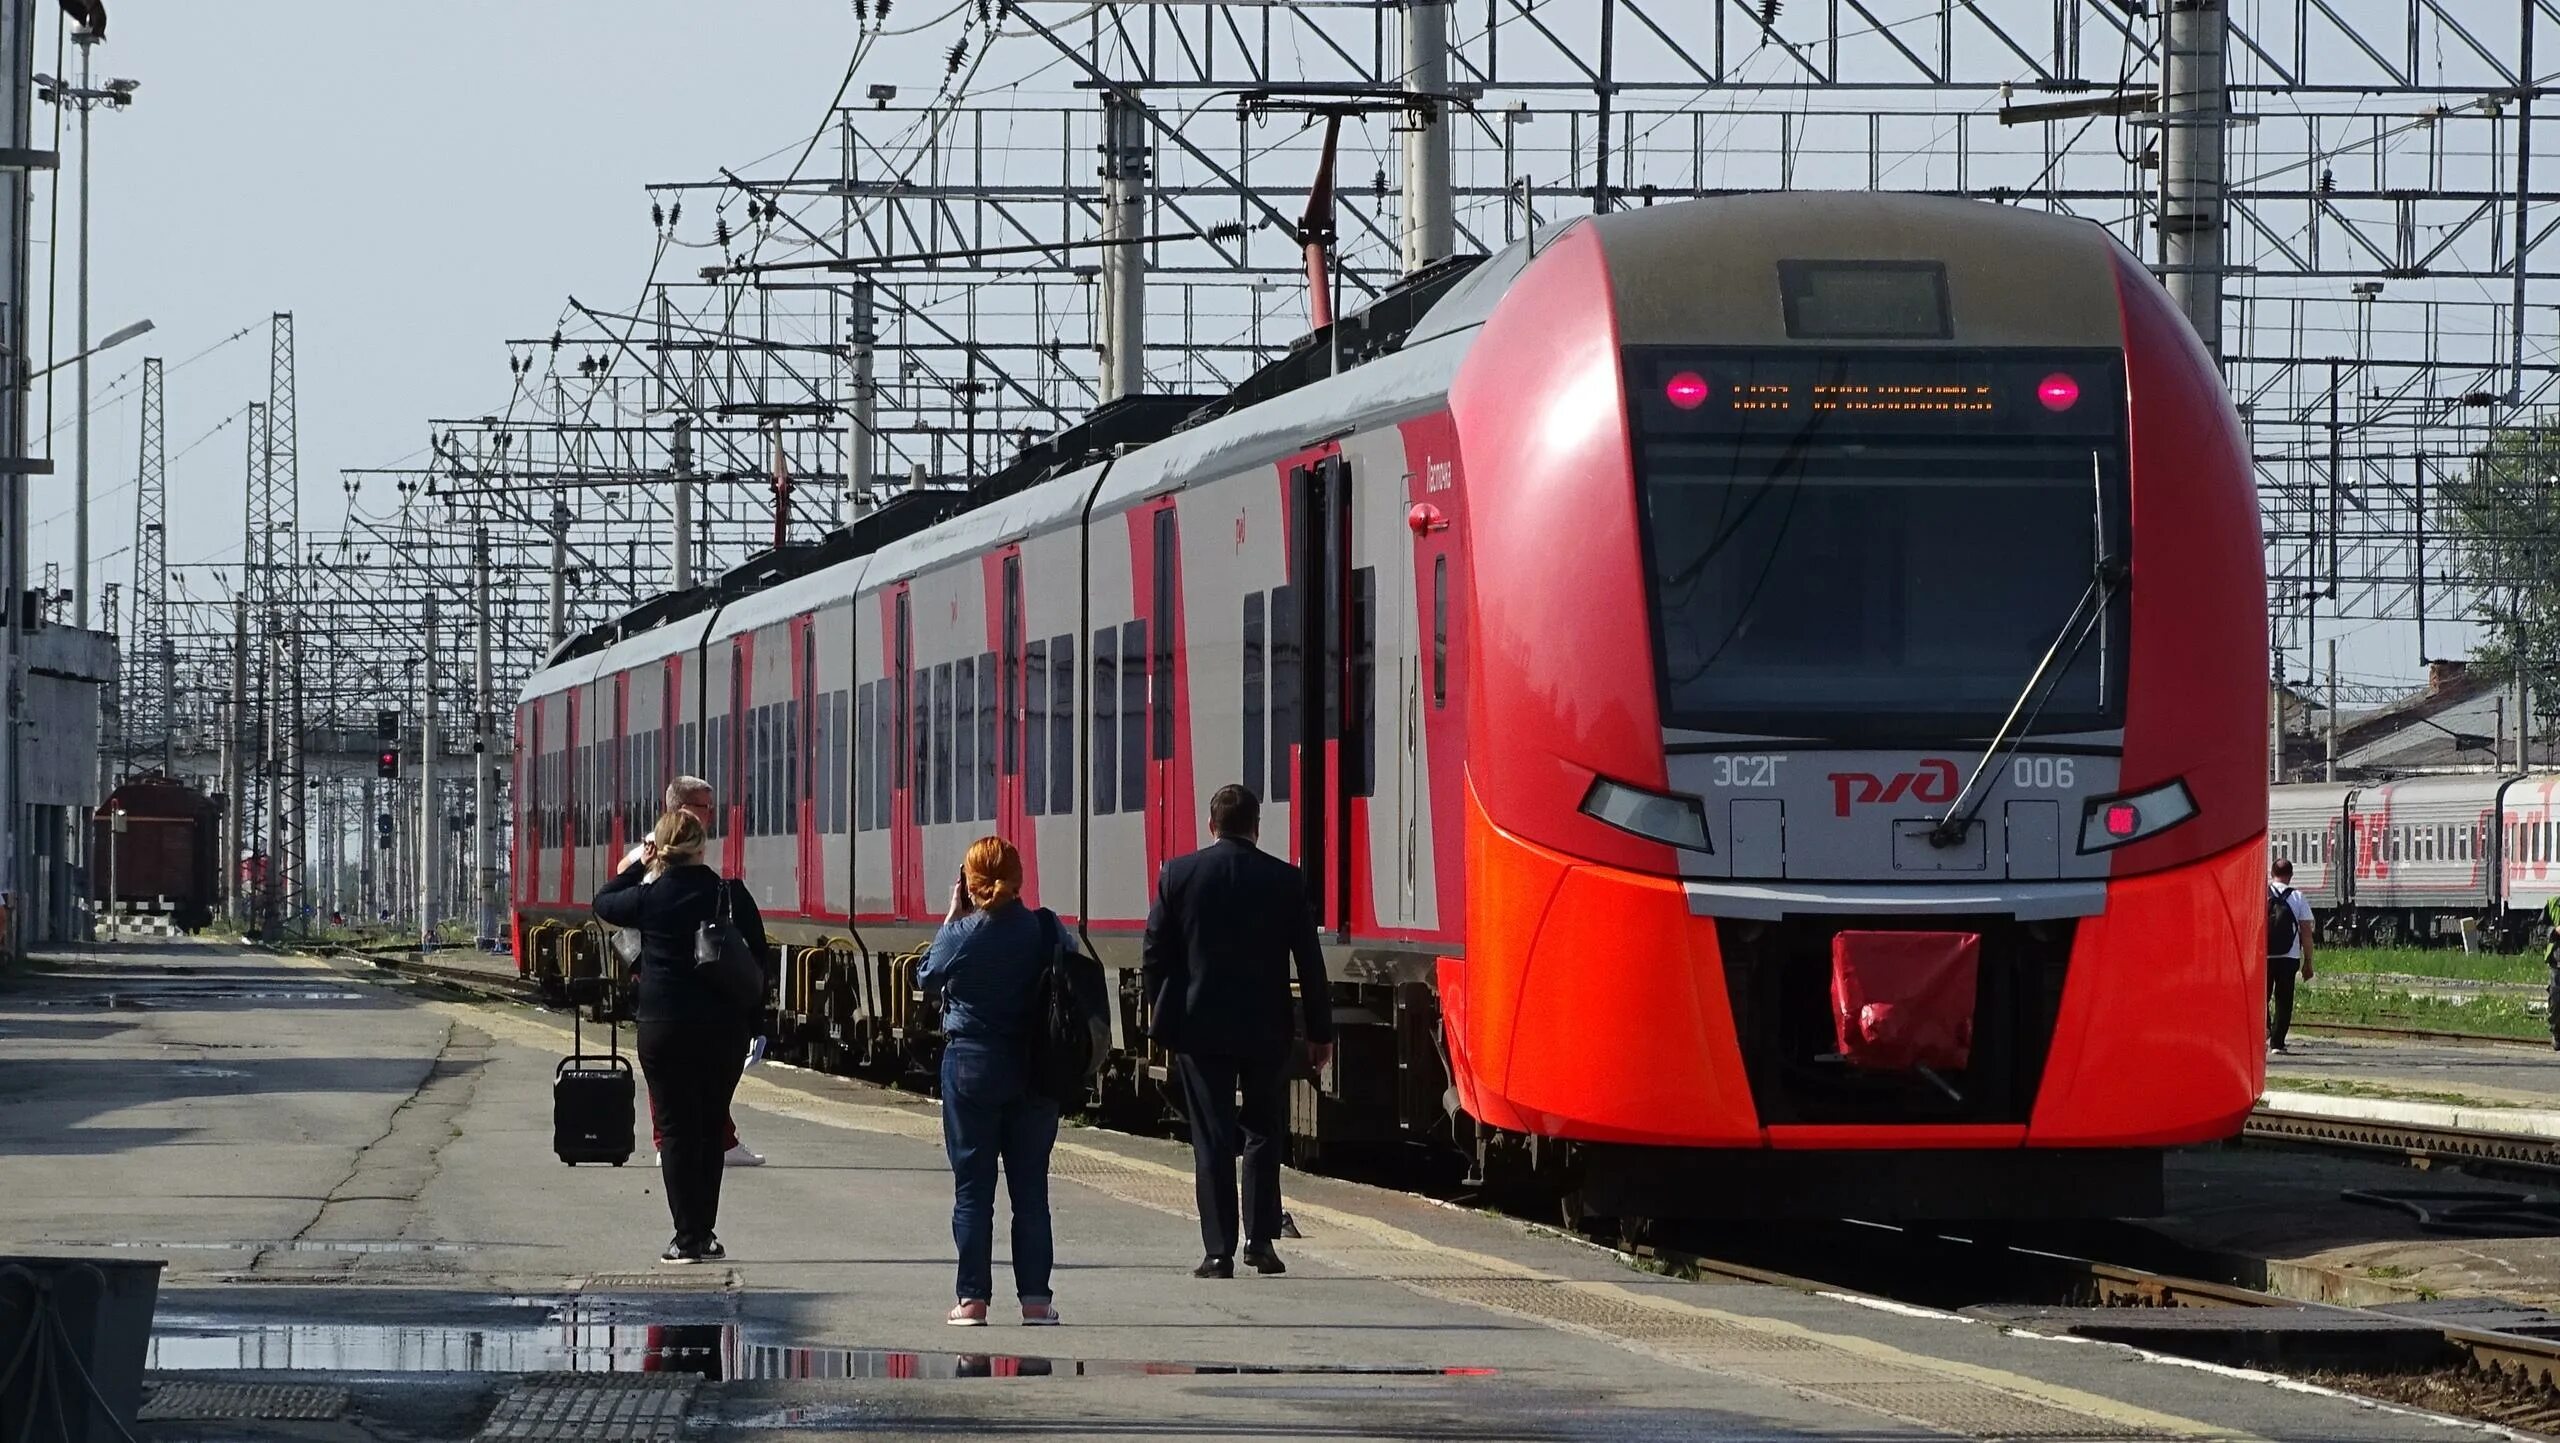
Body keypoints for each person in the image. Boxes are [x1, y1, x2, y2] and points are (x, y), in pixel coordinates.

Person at [1142, 784, 1335, 1279]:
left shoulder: (1178, 875)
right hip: (1264, 1028)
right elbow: (1310, 964)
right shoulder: (1284, 880)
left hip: (1199, 1027)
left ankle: (1218, 1251)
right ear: (1256, 827)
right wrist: (1319, 1030)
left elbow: (1154, 954)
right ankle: (1261, 1241)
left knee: (1211, 1137)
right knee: (1264, 1132)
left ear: (1212, 827)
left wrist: (1164, 1014)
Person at [594, 809, 761, 1264]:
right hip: (722, 1031)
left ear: (661, 849)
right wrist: (757, 1025)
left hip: (664, 1029)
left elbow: (604, 901)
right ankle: (704, 1233)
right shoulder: (728, 894)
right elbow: (758, 960)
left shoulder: (650, 897)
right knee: (709, 1130)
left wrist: (641, 866)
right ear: (703, 846)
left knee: (675, 1132)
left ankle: (686, 1239)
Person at [916, 836, 1062, 1327]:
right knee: (1031, 1192)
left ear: (968, 883)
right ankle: (1037, 1302)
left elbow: (926, 976)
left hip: (972, 1067)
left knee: (973, 1190)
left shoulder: (963, 933)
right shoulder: (1044, 929)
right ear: (1020, 878)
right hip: (1036, 1069)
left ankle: (972, 1301)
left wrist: (951, 917)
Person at [620, 774, 769, 1168]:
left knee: (700, 1068)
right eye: (704, 806)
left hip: (698, 968)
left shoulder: (693, 844)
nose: (711, 814)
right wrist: (647, 863)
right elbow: (621, 876)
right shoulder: (658, 841)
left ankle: (716, 1138)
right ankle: (675, 1141)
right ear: (682, 806)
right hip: (666, 970)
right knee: (679, 1071)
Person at [2267, 858, 2315, 1055]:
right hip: (2290, 956)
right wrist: (2308, 962)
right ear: (2291, 875)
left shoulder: (2261, 894)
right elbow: (2306, 932)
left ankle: (2265, 1029)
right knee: (2284, 999)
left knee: (2261, 998)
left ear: (2271, 874)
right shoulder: (2297, 897)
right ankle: (2277, 1043)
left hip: (2264, 957)